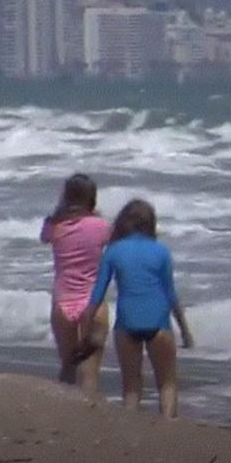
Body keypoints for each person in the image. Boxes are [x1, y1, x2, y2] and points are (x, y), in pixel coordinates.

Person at [78, 199, 194, 419]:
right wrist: (185, 332)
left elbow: (97, 294)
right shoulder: (161, 252)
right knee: (167, 383)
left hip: (126, 325)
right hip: (159, 324)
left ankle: (130, 432)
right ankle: (167, 429)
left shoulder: (113, 251)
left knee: (131, 386)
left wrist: (85, 329)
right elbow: (170, 295)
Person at [40, 173, 111, 395]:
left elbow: (44, 237)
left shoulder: (54, 227)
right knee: (90, 372)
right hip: (93, 302)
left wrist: (59, 212)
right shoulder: (101, 226)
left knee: (68, 364)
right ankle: (88, 416)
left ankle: (66, 413)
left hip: (63, 302)